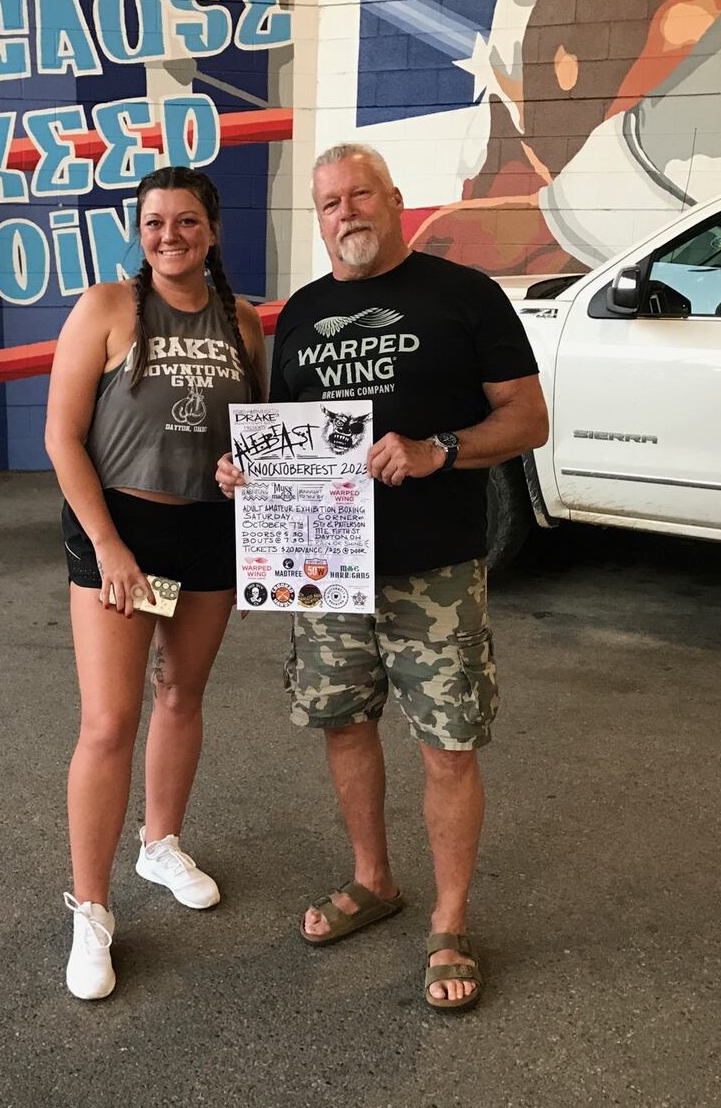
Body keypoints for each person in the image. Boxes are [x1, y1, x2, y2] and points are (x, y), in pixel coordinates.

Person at [217, 143, 548, 1012]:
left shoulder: (464, 296)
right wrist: (248, 473)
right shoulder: (300, 316)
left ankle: (449, 921)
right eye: (329, 203)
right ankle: (373, 881)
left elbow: (530, 418)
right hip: (326, 569)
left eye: (360, 195)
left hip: (434, 566)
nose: (346, 213)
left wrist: (443, 449)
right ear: (318, 219)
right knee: (343, 725)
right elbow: (287, 434)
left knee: (447, 745)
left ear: (395, 200)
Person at [43, 166, 267, 1000]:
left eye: (185, 222)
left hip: (207, 530)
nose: (168, 235)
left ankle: (160, 843)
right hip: (122, 533)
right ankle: (92, 911)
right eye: (152, 223)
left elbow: (260, 436)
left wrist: (248, 474)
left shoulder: (243, 321)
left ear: (211, 230)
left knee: (182, 694)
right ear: (139, 234)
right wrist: (107, 545)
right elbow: (63, 439)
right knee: (109, 721)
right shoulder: (104, 308)